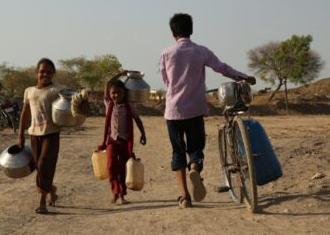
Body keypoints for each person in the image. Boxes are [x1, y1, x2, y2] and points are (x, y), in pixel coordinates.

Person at [159, 13, 256, 208]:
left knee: (178, 151)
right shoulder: (201, 51)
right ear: (191, 30)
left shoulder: (166, 53)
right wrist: (243, 77)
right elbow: (221, 68)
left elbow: (166, 81)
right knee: (195, 149)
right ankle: (194, 166)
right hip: (194, 109)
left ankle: (185, 197)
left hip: (173, 111)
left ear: (173, 33)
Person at [18, 58, 64, 214]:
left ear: (53, 74)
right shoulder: (29, 91)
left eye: (49, 72)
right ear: (36, 72)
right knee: (39, 167)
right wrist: (20, 135)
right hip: (34, 134)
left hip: (51, 133)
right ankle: (51, 189)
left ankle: (42, 202)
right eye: (42, 71)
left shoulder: (56, 90)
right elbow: (25, 113)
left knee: (44, 164)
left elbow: (72, 100)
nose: (45, 74)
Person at [98, 70, 147, 205]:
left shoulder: (129, 106)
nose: (116, 95)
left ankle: (122, 195)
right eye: (113, 93)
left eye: (119, 93)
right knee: (111, 166)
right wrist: (121, 73)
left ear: (124, 93)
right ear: (109, 94)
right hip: (112, 141)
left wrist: (143, 133)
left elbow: (137, 119)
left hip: (125, 142)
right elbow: (108, 83)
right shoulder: (108, 104)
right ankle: (115, 191)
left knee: (123, 169)